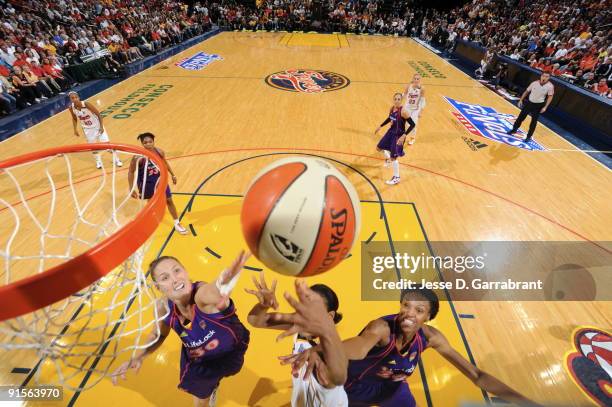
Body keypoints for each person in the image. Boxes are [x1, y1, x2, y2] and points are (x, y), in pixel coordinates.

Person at [284, 286, 537, 406]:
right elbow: (359, 348)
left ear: (428, 317)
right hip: (352, 388)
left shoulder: (431, 337)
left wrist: (523, 400)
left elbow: (477, 376)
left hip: (391, 390)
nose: (408, 313)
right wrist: (321, 348)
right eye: (406, 305)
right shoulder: (381, 328)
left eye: (419, 310)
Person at [112, 251, 252, 407]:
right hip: (200, 359)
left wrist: (224, 280)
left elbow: (213, 290)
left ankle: (213, 385)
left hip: (231, 350)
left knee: (230, 372)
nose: (175, 279)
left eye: (176, 270)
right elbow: (158, 335)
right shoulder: (163, 308)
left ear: (185, 271)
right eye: (165, 278)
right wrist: (140, 356)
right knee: (200, 401)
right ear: (158, 287)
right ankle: (209, 389)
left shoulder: (201, 294)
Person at [246, 275, 348, 406]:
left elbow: (338, 372)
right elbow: (255, 321)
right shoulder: (301, 325)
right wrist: (263, 306)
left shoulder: (331, 350)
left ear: (329, 316)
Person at [128, 132, 188, 235]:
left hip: (160, 180)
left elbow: (165, 163)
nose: (148, 144)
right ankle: (149, 220)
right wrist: (131, 188)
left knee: (169, 200)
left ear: (153, 142)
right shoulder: (138, 157)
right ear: (142, 144)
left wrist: (173, 174)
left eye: (150, 142)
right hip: (146, 183)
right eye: (145, 142)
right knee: (150, 203)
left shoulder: (159, 152)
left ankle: (177, 223)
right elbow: (131, 172)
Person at [69, 91, 123, 168]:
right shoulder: (71, 108)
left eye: (76, 97)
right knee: (93, 147)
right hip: (87, 130)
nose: (74, 99)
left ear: (79, 97)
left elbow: (99, 114)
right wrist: (75, 129)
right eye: (72, 98)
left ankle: (117, 160)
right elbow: (74, 118)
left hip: (97, 126)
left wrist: (101, 126)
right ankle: (98, 161)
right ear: (70, 99)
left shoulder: (86, 104)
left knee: (107, 145)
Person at [375, 93, 412, 186]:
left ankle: (396, 177)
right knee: (379, 148)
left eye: (399, 99)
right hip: (390, 132)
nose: (397, 100)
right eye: (395, 99)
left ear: (401, 100)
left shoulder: (404, 111)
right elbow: (389, 118)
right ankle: (388, 159)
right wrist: (380, 126)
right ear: (393, 99)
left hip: (398, 136)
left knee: (394, 157)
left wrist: (404, 135)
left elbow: (412, 124)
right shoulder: (392, 108)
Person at [507, 72, 554, 143]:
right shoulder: (534, 83)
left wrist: (545, 107)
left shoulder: (550, 86)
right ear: (541, 76)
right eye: (543, 76)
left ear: (549, 78)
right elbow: (526, 91)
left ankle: (529, 136)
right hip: (529, 103)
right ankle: (514, 129)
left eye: (547, 76)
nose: (544, 77)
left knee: (533, 122)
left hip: (538, 105)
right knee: (520, 117)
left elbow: (550, 97)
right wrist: (521, 100)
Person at [402, 73, 425, 145]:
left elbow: (422, 100)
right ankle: (402, 136)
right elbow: (404, 94)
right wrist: (399, 102)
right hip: (407, 107)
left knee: (413, 124)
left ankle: (412, 138)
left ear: (420, 80)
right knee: (404, 123)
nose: (416, 80)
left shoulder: (422, 88)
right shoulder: (409, 86)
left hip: (415, 109)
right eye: (415, 78)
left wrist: (421, 111)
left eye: (418, 79)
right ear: (413, 79)